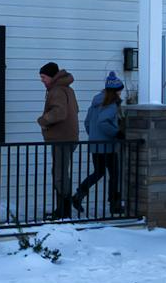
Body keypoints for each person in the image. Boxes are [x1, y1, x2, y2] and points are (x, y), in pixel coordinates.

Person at [74, 71, 125, 215]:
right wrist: (116, 133)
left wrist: (94, 137)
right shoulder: (111, 105)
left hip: (95, 145)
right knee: (114, 174)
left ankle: (78, 196)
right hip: (108, 146)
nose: (120, 93)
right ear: (115, 91)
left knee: (98, 172)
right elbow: (103, 122)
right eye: (120, 90)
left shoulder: (95, 103)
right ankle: (114, 205)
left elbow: (87, 123)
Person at [37, 62, 80, 219]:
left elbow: (59, 112)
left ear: (52, 76)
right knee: (60, 172)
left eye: (43, 77)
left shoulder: (57, 91)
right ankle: (61, 210)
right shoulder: (67, 89)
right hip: (69, 137)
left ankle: (63, 212)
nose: (42, 80)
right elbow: (75, 110)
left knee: (59, 174)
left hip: (61, 139)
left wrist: (43, 120)